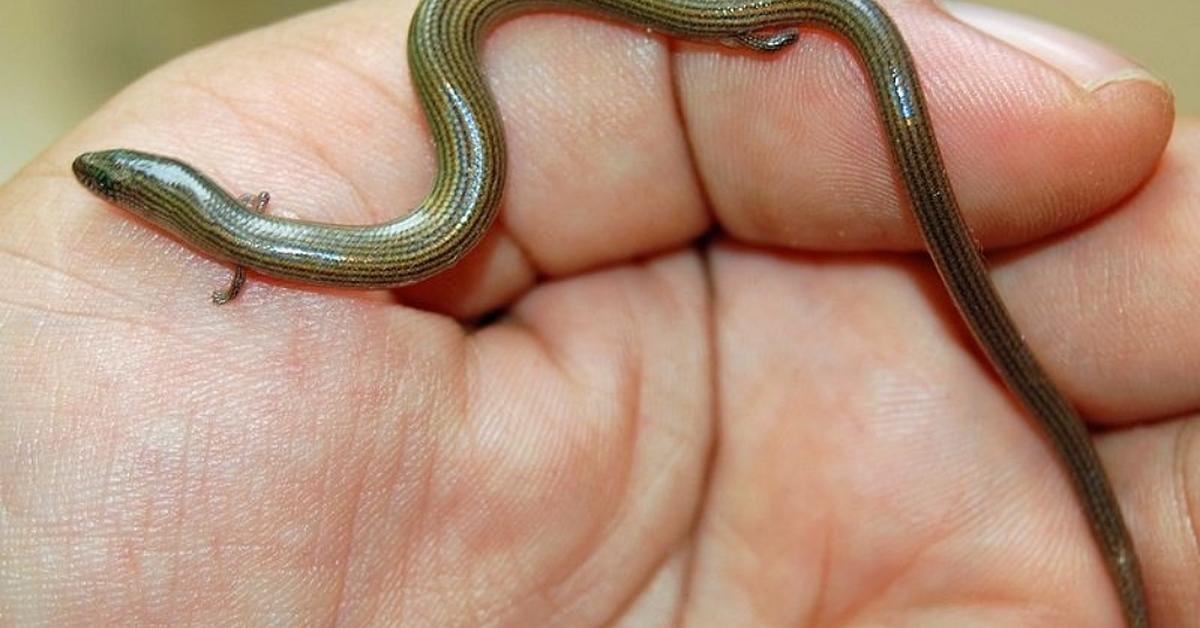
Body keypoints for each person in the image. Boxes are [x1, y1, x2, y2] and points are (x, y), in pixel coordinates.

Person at [0, 1, 1194, 624]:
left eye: (119, 182)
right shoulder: (236, 236)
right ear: (183, 213)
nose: (108, 191)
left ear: (184, 204)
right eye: (117, 185)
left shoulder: (265, 212)